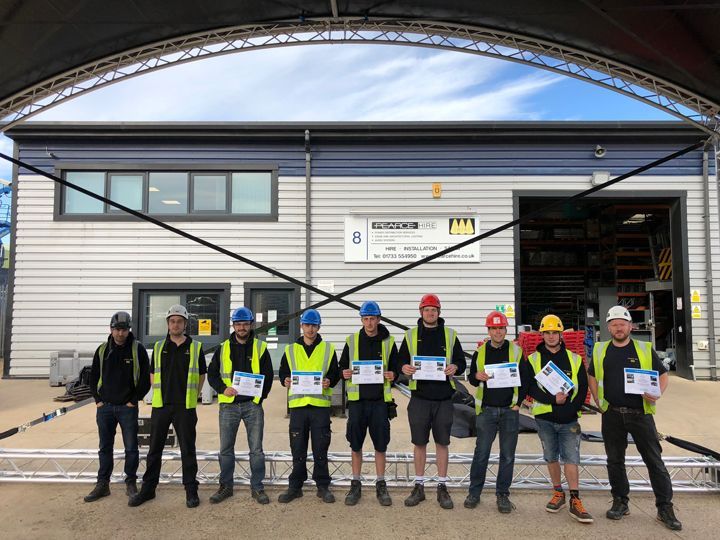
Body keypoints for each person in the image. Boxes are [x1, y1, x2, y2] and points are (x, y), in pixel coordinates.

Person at [588, 305, 681, 531]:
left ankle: (665, 507)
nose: (618, 328)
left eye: (622, 324)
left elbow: (663, 375)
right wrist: (597, 399)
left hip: (640, 414)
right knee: (614, 461)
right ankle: (620, 502)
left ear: (630, 326)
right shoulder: (600, 350)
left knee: (654, 461)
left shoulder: (644, 348)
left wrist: (657, 393)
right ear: (609, 328)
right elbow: (591, 374)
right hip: (612, 414)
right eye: (614, 325)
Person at [129, 304, 206, 509]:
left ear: (185, 324)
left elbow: (201, 376)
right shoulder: (159, 347)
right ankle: (148, 489)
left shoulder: (195, 347)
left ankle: (191, 490)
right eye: (172, 321)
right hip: (161, 406)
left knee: (188, 450)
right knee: (154, 450)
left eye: (179, 321)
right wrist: (159, 395)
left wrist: (193, 396)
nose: (175, 324)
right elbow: (153, 373)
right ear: (168, 324)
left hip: (185, 407)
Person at [398, 293, 466, 509]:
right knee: (419, 443)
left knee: (442, 443)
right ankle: (419, 486)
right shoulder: (410, 335)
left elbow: (461, 361)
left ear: (439, 312)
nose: (430, 313)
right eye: (426, 309)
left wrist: (455, 367)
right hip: (419, 398)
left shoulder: (450, 335)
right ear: (421, 312)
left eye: (433, 310)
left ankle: (442, 486)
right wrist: (404, 367)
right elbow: (400, 361)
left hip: (443, 399)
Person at [526, 314, 592, 524]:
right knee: (551, 457)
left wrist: (570, 409)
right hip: (544, 418)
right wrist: (552, 400)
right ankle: (557, 493)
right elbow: (530, 387)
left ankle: (575, 499)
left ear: (561, 334)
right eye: (547, 332)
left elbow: (582, 388)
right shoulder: (533, 359)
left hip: (569, 419)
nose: (551, 336)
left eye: (555, 332)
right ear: (542, 334)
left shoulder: (574, 359)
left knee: (571, 458)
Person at [207, 306, 274, 505]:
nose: (242, 327)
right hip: (229, 406)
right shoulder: (223, 348)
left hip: (252, 406)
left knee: (256, 450)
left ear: (251, 324)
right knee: (226, 449)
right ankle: (226, 486)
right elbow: (212, 374)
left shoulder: (260, 348)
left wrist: (258, 398)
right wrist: (223, 389)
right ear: (233, 325)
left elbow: (268, 376)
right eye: (238, 324)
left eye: (245, 324)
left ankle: (257, 487)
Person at [464, 310, 528, 513]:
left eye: (501, 328)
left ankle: (502, 495)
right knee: (481, 453)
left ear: (505, 330)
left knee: (507, 455)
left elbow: (526, 378)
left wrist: (519, 403)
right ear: (489, 330)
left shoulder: (516, 351)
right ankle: (474, 493)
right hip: (487, 411)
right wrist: (477, 376)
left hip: (509, 410)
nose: (498, 332)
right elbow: (472, 378)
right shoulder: (480, 352)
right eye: (494, 328)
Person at [85, 311, 150, 502]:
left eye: (124, 329)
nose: (120, 333)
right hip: (105, 408)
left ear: (129, 330)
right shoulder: (102, 350)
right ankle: (102, 484)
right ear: (111, 329)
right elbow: (93, 377)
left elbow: (145, 379)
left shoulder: (137, 350)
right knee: (105, 447)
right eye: (117, 329)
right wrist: (98, 400)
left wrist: (133, 400)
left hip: (127, 408)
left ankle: (131, 482)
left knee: (131, 448)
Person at [277, 308, 340, 504]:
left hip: (319, 406)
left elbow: (335, 373)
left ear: (318, 327)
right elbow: (283, 372)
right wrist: (285, 380)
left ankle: (323, 486)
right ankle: (295, 486)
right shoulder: (290, 350)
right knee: (298, 448)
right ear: (301, 326)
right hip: (298, 406)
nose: (310, 329)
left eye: (314, 325)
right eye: (307, 325)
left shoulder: (328, 349)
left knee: (321, 447)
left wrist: (330, 380)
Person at [340, 300, 398, 506]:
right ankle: (355, 484)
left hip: (380, 402)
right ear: (362, 320)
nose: (369, 323)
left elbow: (396, 368)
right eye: (366, 319)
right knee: (356, 444)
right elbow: (341, 367)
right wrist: (344, 372)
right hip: (357, 402)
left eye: (373, 318)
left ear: (379, 319)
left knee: (380, 444)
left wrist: (393, 374)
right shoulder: (352, 341)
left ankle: (381, 484)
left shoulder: (389, 342)